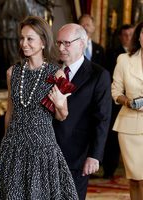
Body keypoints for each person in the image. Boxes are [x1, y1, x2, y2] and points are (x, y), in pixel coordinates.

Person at [0, 16, 78, 199]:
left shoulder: (56, 74)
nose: (24, 43)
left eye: (30, 39)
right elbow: (10, 112)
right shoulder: (13, 72)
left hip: (42, 149)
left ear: (43, 42)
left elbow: (63, 116)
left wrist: (60, 104)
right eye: (22, 38)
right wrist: (6, 142)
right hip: (14, 148)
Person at [53, 23, 112, 200]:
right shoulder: (51, 71)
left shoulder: (98, 75)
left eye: (66, 43)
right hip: (47, 151)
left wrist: (95, 155)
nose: (61, 48)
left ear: (82, 43)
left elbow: (102, 118)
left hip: (77, 154)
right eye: (58, 43)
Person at [111, 21, 143, 200]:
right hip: (129, 127)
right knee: (136, 179)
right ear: (138, 36)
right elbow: (115, 91)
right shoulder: (124, 60)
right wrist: (128, 102)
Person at [103, 24, 134, 179]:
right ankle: (109, 170)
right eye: (125, 35)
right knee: (112, 139)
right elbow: (110, 82)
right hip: (119, 105)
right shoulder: (114, 54)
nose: (129, 37)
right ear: (121, 36)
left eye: (131, 34)